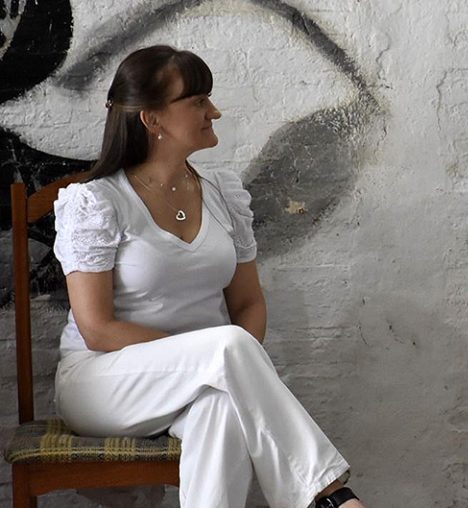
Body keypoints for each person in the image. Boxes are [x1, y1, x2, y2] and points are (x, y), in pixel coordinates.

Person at [52, 45, 366, 508]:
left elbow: (249, 303)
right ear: (152, 119)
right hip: (103, 381)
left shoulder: (223, 195)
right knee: (227, 349)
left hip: (207, 375)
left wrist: (221, 365)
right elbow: (97, 329)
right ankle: (330, 495)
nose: (213, 111)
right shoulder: (97, 202)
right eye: (198, 101)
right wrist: (204, 355)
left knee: (222, 408)